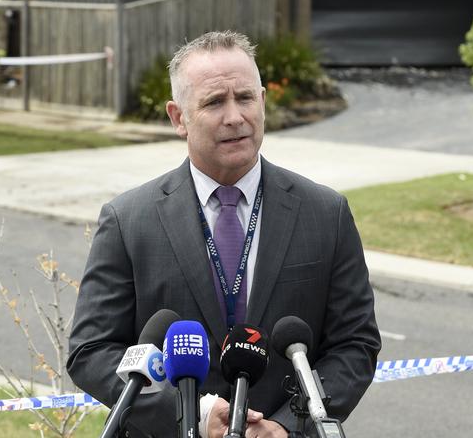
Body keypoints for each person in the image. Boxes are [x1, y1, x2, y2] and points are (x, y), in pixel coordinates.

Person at [67, 31, 381, 438]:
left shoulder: (325, 213)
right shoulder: (129, 220)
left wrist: (287, 425)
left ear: (263, 101)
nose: (235, 116)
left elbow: (355, 346)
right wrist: (187, 413)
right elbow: (91, 352)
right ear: (178, 117)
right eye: (215, 102)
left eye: (246, 98)